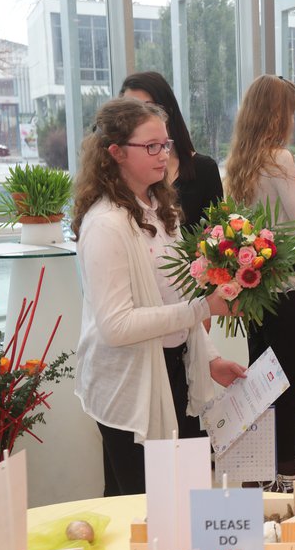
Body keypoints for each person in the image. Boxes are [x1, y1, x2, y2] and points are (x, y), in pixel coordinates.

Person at [72, 97, 247, 496]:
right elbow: (117, 327)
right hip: (130, 382)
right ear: (115, 153)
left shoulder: (156, 207)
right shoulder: (106, 224)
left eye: (165, 144)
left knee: (181, 498)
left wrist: (212, 357)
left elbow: (174, 295)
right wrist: (204, 307)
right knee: (145, 508)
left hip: (172, 369)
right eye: (150, 146)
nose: (163, 154)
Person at [224, 74, 295, 494]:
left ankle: (259, 471)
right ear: (280, 113)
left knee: (262, 380)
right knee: (288, 384)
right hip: (287, 286)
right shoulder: (280, 158)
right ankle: (286, 476)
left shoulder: (239, 160)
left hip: (255, 291)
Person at [120, 71, 223, 230]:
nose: (139, 120)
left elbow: (217, 238)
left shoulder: (204, 169)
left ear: (167, 111)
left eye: (149, 109)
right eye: (130, 112)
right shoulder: (120, 173)